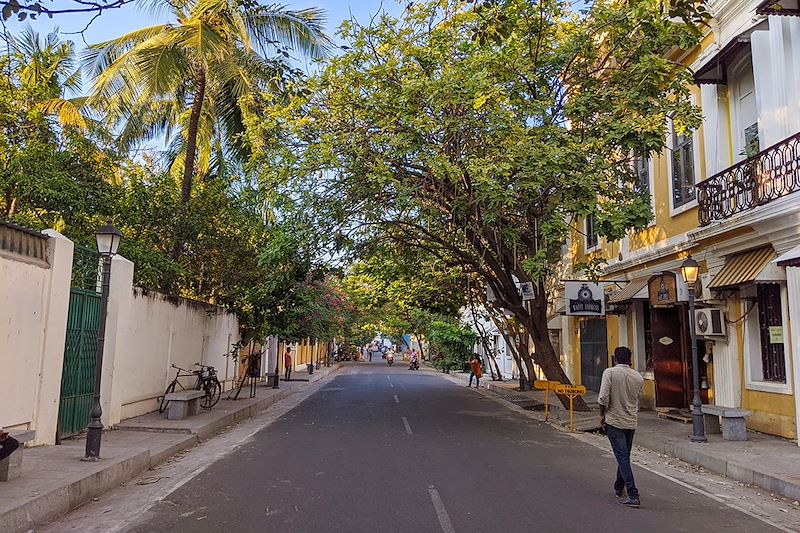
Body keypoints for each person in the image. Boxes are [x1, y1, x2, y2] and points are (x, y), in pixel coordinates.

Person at [598, 346, 644, 508]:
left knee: (622, 457)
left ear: (615, 358)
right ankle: (619, 487)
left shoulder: (609, 373)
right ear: (630, 360)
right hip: (631, 422)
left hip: (615, 420)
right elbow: (639, 397)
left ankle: (633, 493)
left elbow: (603, 397)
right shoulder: (638, 376)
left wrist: (602, 415)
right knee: (624, 456)